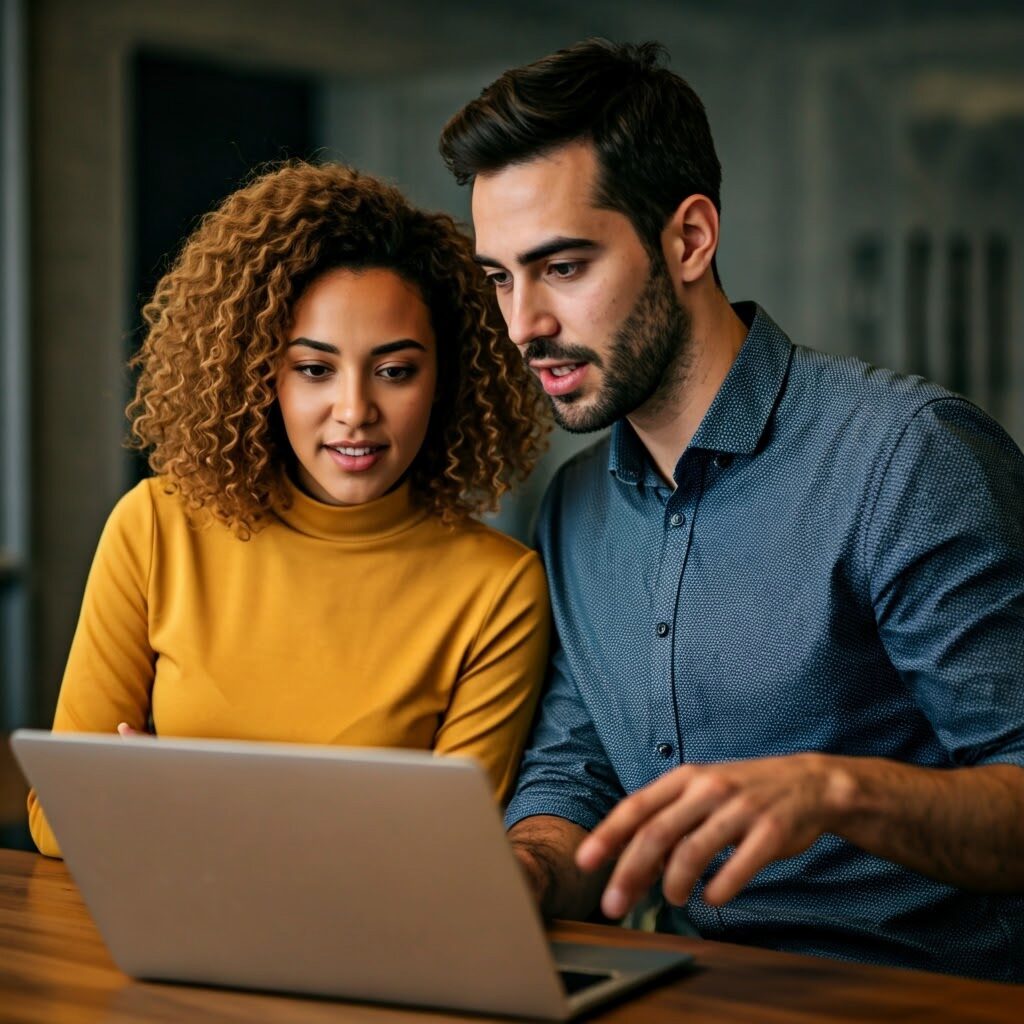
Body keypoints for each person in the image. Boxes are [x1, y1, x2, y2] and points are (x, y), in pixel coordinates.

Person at [438, 39, 1024, 981]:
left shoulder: (907, 455)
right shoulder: (574, 504)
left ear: (689, 240)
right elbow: (573, 771)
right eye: (501, 277)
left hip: (922, 997)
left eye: (563, 267)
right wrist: (522, 872)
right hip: (696, 992)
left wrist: (836, 790)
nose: (523, 324)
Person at [28, 162, 551, 858]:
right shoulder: (155, 527)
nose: (355, 412)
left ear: (445, 381)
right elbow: (56, 818)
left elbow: (443, 853)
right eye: (314, 369)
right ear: (259, 373)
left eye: (395, 371)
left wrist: (175, 803)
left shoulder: (498, 589)